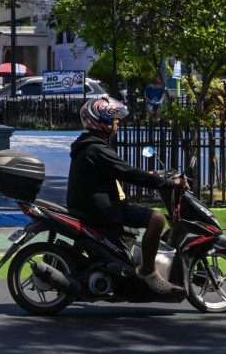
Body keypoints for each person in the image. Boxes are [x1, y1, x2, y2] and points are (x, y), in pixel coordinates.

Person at [66, 96, 186, 295]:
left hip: (92, 205)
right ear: (102, 122)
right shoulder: (97, 149)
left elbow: (122, 170)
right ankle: (148, 272)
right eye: (114, 119)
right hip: (101, 209)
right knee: (156, 219)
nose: (117, 123)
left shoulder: (89, 145)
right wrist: (168, 182)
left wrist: (151, 175)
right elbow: (128, 173)